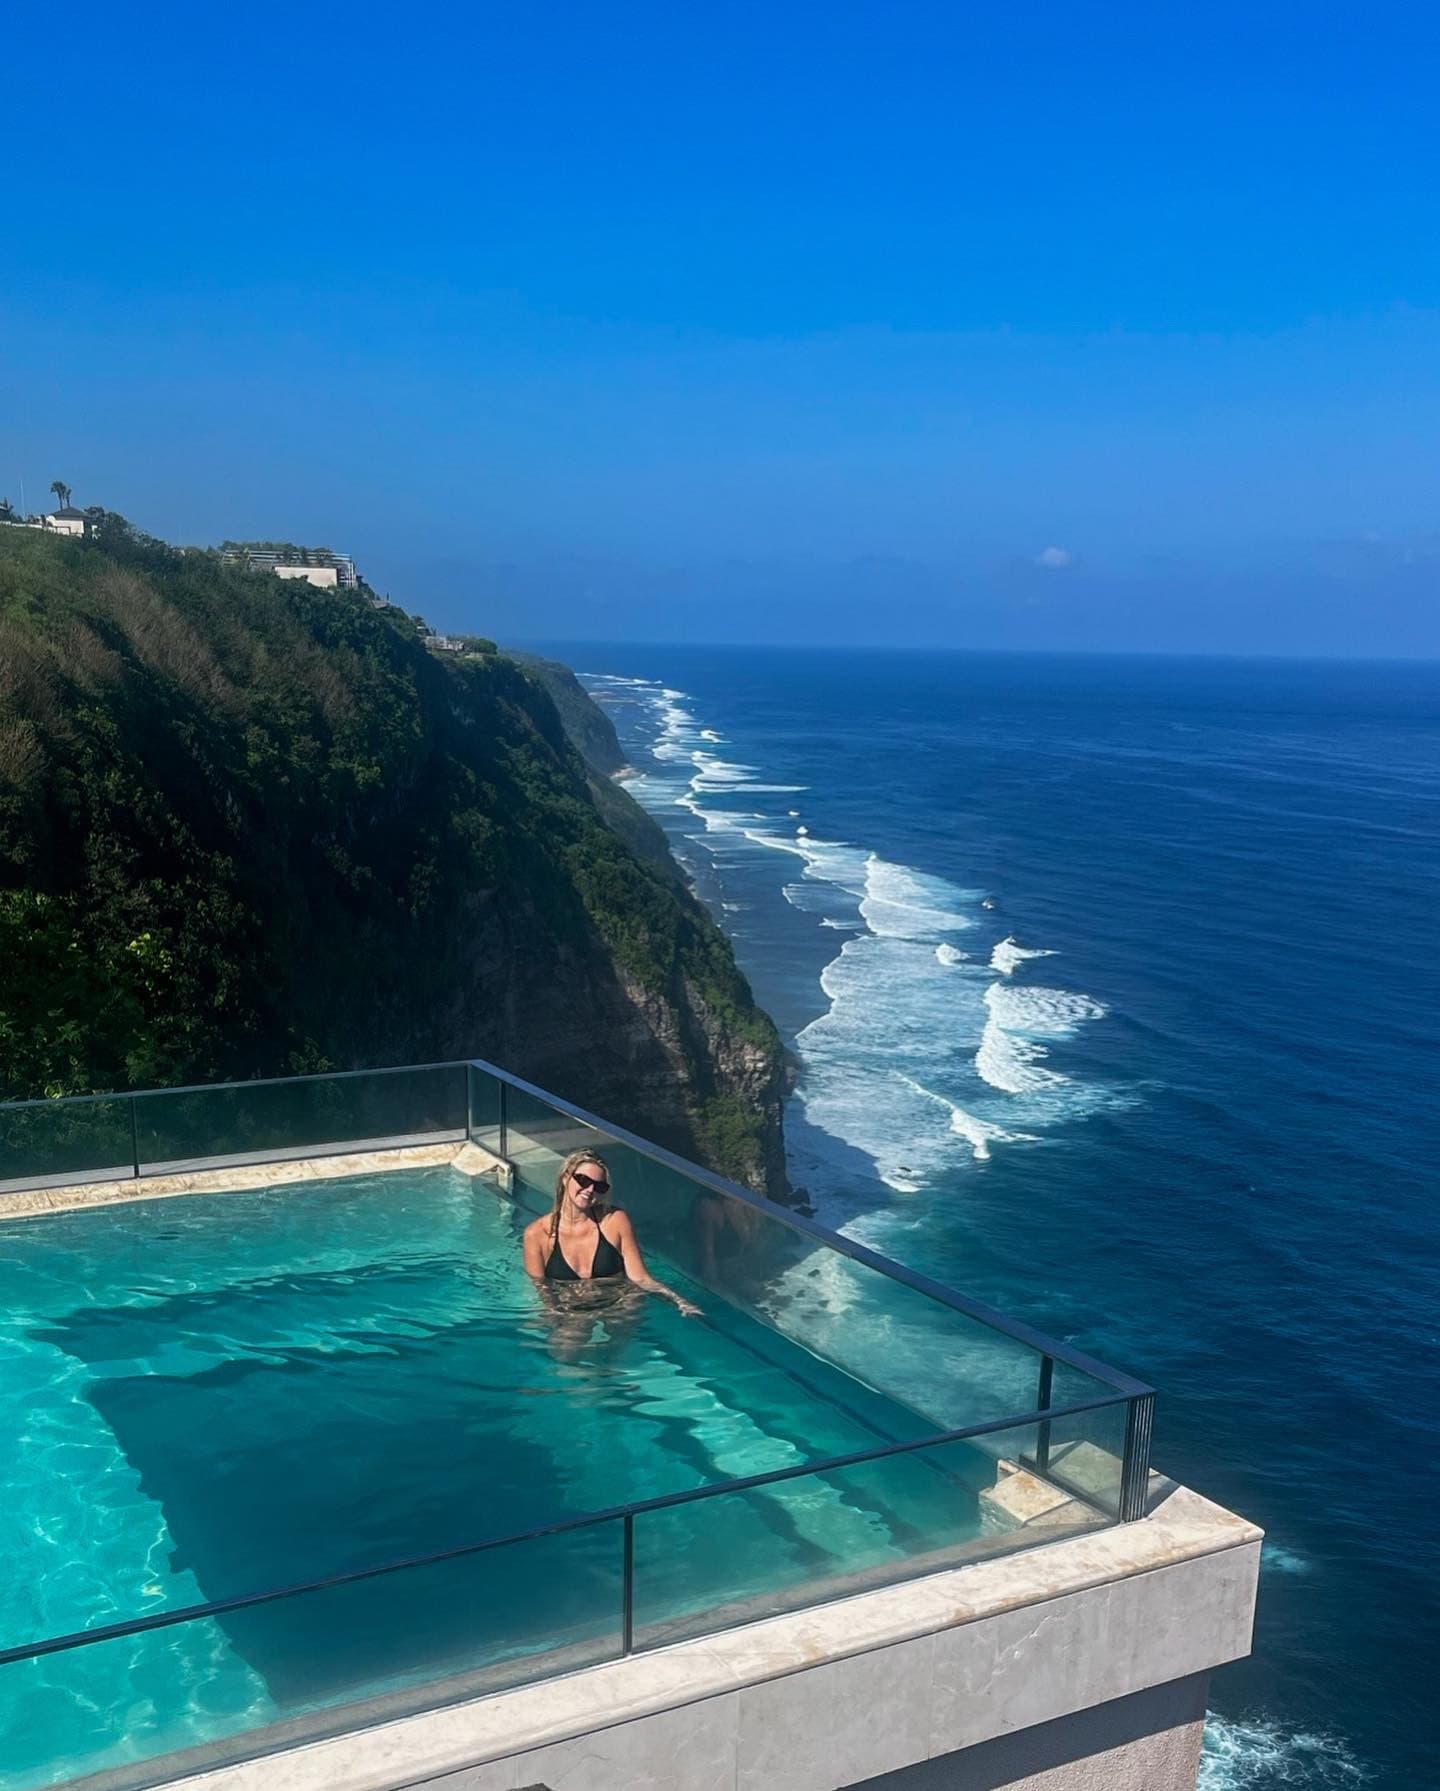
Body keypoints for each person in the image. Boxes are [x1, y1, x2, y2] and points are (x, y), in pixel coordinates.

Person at [522, 1150, 701, 1316]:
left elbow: (640, 1277)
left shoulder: (615, 1221)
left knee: (621, 1328)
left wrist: (679, 1302)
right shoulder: (536, 1234)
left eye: (599, 1186)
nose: (590, 1189)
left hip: (618, 1301)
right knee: (567, 1342)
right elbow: (543, 1290)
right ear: (565, 1178)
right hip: (570, 1307)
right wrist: (559, 1316)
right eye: (583, 1181)